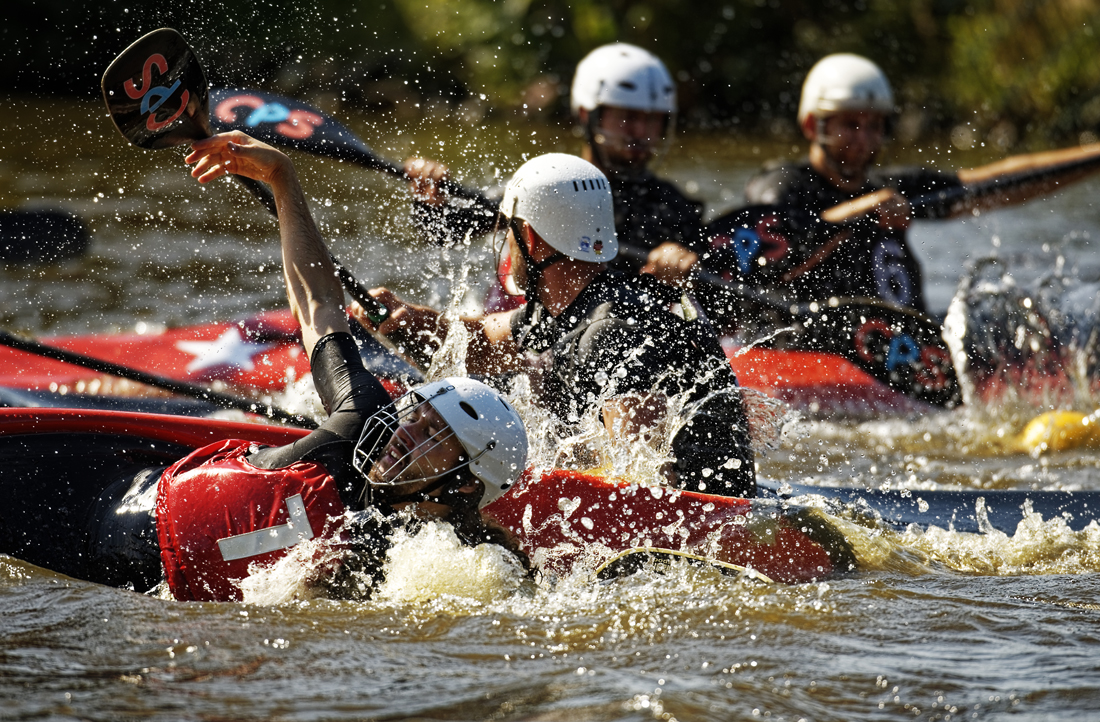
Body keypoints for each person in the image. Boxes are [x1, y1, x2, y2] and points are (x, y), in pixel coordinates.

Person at [77, 131, 530, 602]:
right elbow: (317, 305)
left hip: (153, 593)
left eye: (433, 434)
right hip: (128, 507)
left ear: (464, 485)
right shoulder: (361, 419)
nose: (404, 432)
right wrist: (282, 179)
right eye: (416, 415)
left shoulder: (422, 563)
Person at [357, 153, 756, 498]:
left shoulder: (614, 331)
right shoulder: (567, 308)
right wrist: (404, 319)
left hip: (710, 540)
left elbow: (644, 483)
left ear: (528, 238)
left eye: (508, 234)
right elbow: (476, 343)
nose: (506, 248)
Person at [736, 52, 1100, 313]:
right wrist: (860, 211)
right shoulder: (782, 185)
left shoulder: (893, 186)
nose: (864, 139)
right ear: (814, 127)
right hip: (809, 344)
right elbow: (772, 246)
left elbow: (995, 182)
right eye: (850, 124)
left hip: (905, 354)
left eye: (874, 126)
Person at [404, 43, 707, 301]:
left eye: (652, 120)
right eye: (628, 117)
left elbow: (709, 299)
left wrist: (682, 276)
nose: (641, 132)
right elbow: (446, 232)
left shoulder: (675, 208)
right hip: (529, 334)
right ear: (589, 115)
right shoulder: (546, 185)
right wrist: (429, 199)